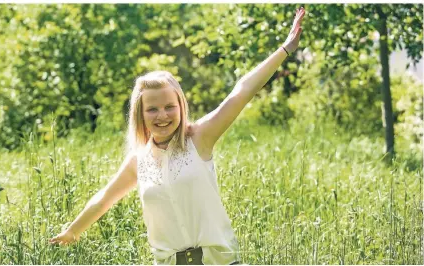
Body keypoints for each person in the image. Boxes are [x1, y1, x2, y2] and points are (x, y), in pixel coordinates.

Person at [50, 7, 305, 265]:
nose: (162, 115)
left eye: (169, 106)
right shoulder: (139, 161)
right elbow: (103, 199)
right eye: (152, 109)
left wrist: (285, 49)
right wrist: (72, 231)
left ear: (181, 106)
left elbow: (241, 91)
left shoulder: (199, 139)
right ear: (141, 114)